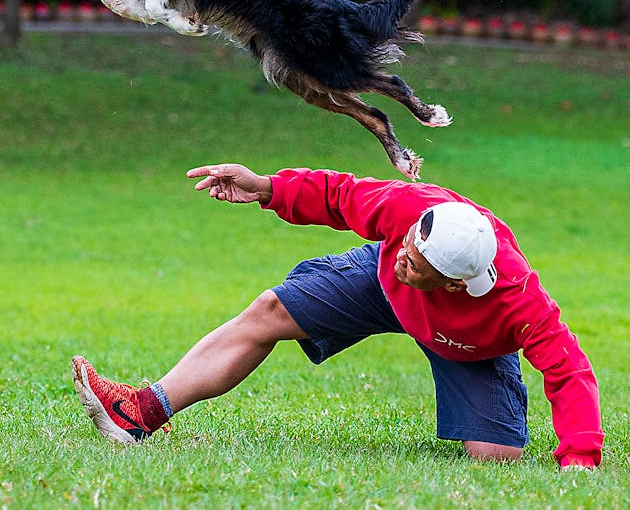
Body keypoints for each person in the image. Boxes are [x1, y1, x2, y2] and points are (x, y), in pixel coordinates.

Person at [72, 164, 603, 469]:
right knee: (270, 310)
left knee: (496, 457)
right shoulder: (413, 215)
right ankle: (139, 412)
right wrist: (267, 187)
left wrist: (579, 458)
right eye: (408, 245)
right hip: (382, 291)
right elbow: (339, 195)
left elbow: (569, 372)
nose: (404, 256)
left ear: (457, 282)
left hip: (464, 343)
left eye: (416, 263)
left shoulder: (517, 303)